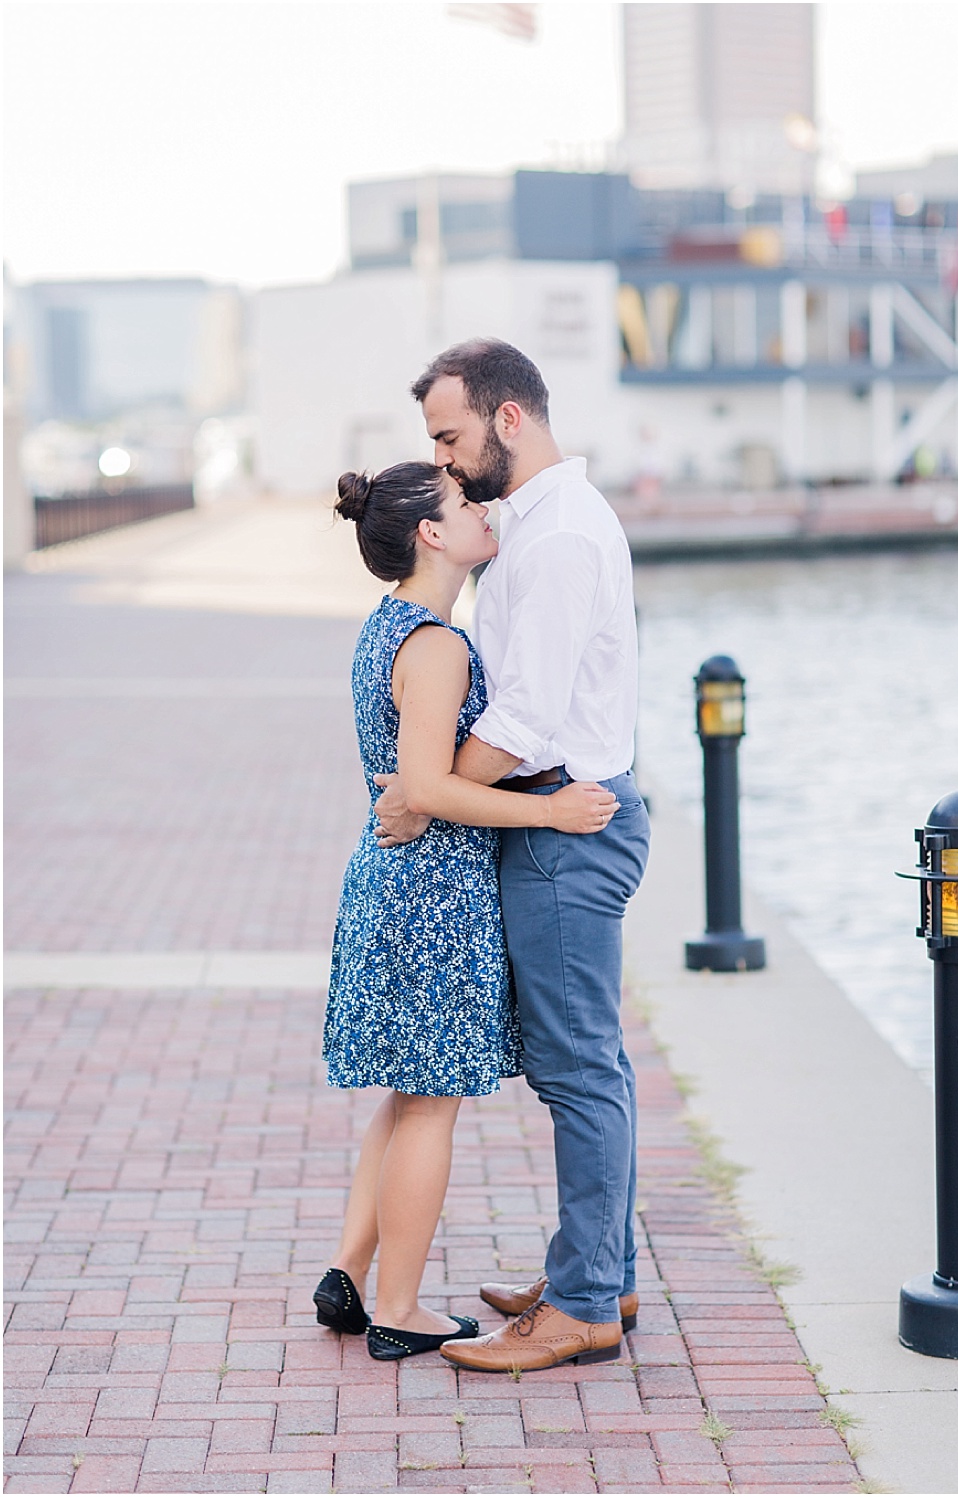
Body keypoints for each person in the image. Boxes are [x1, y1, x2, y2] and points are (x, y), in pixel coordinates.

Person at [374, 339, 651, 1373]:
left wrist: (424, 790)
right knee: (592, 1065)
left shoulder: (559, 535)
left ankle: (581, 1305)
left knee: (578, 1071)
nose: (441, 458)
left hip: (563, 823)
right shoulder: (533, 524)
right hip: (553, 816)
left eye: (448, 436)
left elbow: (526, 719)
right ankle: (602, 1272)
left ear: (507, 418)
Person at [315, 460, 619, 1362]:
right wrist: (550, 812)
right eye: (463, 503)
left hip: (396, 883)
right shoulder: (439, 645)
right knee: (431, 1106)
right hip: (432, 896)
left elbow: (413, 780)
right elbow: (427, 787)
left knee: (410, 1095)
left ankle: (350, 1271)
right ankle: (399, 1307)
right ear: (431, 534)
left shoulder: (390, 627)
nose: (483, 510)